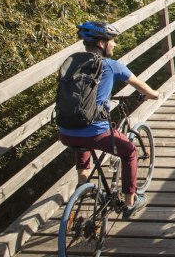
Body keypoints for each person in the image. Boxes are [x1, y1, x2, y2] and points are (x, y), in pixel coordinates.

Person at [58, 21, 160, 219]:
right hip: (96, 134)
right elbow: (140, 85)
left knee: (82, 140)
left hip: (65, 132)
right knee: (129, 152)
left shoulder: (72, 62)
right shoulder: (111, 65)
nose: (114, 45)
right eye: (112, 41)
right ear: (101, 44)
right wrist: (154, 94)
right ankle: (130, 204)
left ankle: (84, 185)